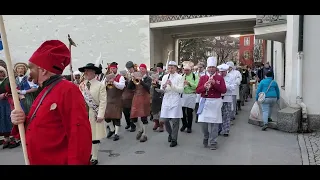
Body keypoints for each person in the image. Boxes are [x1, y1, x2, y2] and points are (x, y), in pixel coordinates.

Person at [10, 40, 92, 165]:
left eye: (31, 68)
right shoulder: (45, 90)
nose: (29, 73)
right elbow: (45, 124)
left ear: (42, 70)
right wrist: (21, 120)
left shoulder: (67, 90)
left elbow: (79, 136)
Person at [79, 62, 107, 165]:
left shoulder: (100, 85)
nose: (85, 73)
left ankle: (94, 157)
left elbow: (103, 101)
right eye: (85, 71)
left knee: (94, 136)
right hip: (83, 114)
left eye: (88, 71)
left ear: (93, 72)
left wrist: (100, 114)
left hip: (94, 113)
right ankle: (89, 153)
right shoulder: (82, 85)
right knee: (86, 136)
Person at [196, 57, 226, 150]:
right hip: (205, 101)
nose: (211, 69)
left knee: (214, 123)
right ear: (207, 68)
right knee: (203, 122)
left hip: (215, 102)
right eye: (210, 67)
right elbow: (197, 90)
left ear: (215, 68)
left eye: (213, 67)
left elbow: (224, 90)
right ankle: (206, 136)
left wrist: (215, 84)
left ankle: (213, 142)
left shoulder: (219, 78)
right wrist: (204, 86)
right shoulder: (203, 77)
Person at [160, 61, 184, 147]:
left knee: (175, 121)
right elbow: (162, 89)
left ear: (176, 68)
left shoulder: (180, 77)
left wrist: (172, 85)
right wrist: (163, 87)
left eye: (172, 67)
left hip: (175, 99)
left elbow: (181, 90)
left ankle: (174, 139)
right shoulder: (165, 77)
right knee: (165, 120)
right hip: (167, 99)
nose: (170, 69)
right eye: (169, 67)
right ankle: (170, 133)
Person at [128, 64, 152, 142]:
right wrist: (131, 81)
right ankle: (140, 129)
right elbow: (129, 88)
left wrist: (141, 81)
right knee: (133, 117)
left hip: (144, 97)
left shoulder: (148, 78)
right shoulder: (135, 77)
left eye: (143, 69)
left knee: (143, 116)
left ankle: (144, 134)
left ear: (145, 69)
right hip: (136, 97)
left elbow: (148, 87)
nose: (141, 70)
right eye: (140, 69)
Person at [103, 62, 125, 141]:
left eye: (114, 68)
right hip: (109, 100)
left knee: (116, 117)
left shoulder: (120, 77)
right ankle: (112, 130)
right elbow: (102, 87)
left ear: (116, 69)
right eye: (111, 68)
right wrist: (106, 81)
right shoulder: (106, 77)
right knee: (106, 117)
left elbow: (122, 86)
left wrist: (114, 82)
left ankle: (116, 133)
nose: (112, 70)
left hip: (117, 99)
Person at [0, 65, 20, 149]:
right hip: (0, 104)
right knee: (2, 120)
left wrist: (6, 94)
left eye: (1, 72)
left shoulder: (9, 80)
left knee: (10, 118)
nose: (0, 74)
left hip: (9, 102)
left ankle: (14, 138)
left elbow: (16, 89)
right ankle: (6, 138)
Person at [180, 63, 199, 133]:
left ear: (190, 70)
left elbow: (196, 86)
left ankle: (189, 126)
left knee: (189, 112)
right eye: (185, 70)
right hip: (183, 95)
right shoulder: (182, 76)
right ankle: (184, 124)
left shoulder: (195, 76)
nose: (186, 72)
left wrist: (189, 83)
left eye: (187, 70)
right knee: (182, 111)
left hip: (191, 95)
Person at [217, 64, 235, 137]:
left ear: (226, 71)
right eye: (221, 72)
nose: (222, 73)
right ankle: (219, 129)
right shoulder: (217, 77)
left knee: (226, 115)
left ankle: (226, 130)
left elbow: (233, 87)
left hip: (227, 98)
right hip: (218, 98)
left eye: (223, 72)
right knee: (219, 115)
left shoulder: (231, 77)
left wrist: (224, 86)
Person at [122, 61, 136, 132]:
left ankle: (133, 125)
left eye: (130, 68)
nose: (129, 70)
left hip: (133, 94)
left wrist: (131, 79)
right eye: (128, 69)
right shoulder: (126, 74)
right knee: (125, 111)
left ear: (133, 68)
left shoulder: (136, 74)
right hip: (126, 94)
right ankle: (128, 123)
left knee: (131, 111)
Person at [151, 62, 165, 132]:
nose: (158, 70)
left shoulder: (165, 75)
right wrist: (153, 81)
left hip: (161, 94)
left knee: (161, 110)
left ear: (162, 69)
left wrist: (158, 81)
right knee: (154, 110)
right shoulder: (155, 75)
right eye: (157, 68)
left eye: (159, 68)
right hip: (155, 93)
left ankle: (161, 124)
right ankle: (156, 123)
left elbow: (164, 83)